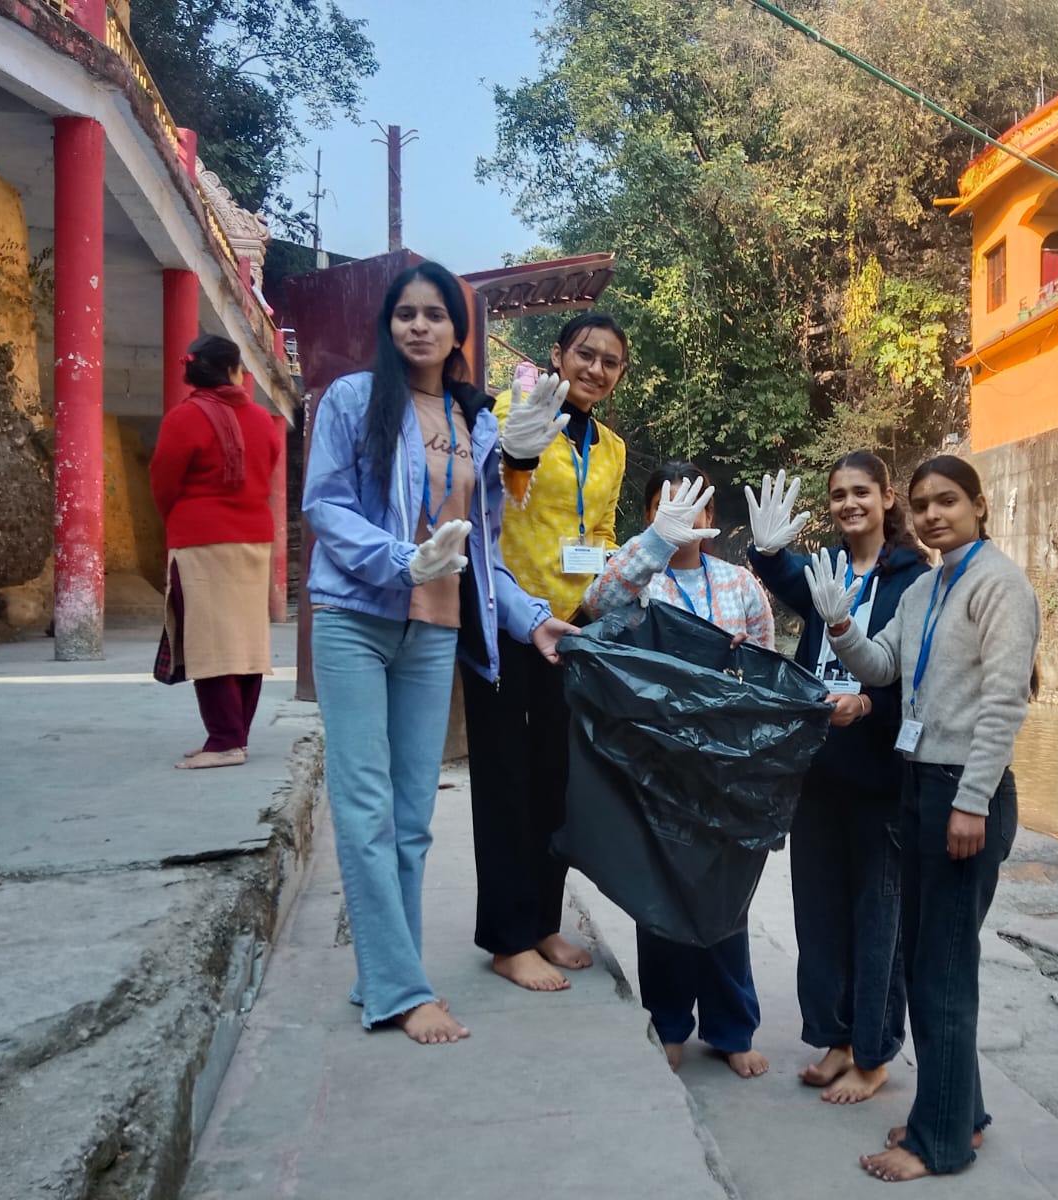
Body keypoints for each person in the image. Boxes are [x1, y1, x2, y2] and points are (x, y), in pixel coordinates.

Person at [303, 261, 572, 1045]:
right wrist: (397, 560)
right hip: (356, 616)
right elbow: (324, 504)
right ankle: (398, 988)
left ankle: (384, 974)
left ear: (458, 332)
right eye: (405, 314)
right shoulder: (353, 400)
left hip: (436, 629)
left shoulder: (473, 420)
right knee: (363, 808)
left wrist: (530, 621)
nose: (419, 326)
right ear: (389, 325)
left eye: (435, 315)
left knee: (413, 817)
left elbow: (484, 544)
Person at [802, 455, 1040, 1182]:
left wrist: (972, 799)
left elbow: (1005, 701)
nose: (935, 514)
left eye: (949, 501)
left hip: (960, 790)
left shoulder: (999, 585)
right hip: (917, 781)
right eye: (926, 504)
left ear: (979, 504)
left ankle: (936, 1142)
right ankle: (956, 1111)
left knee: (941, 969)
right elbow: (880, 668)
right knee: (931, 960)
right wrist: (839, 621)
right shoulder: (930, 585)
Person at [581, 462, 776, 1078]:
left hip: (727, 760)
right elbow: (595, 606)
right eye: (670, 506)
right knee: (661, 886)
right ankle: (667, 1021)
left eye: (697, 508)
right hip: (658, 757)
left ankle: (730, 1027)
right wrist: (654, 544)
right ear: (648, 516)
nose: (687, 517)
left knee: (727, 892)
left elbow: (767, 665)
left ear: (712, 521)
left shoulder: (741, 585)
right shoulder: (638, 575)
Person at [745, 456, 927, 1105]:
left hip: (881, 772)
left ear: (887, 497)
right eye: (838, 495)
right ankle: (834, 1038)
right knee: (819, 911)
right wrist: (765, 552)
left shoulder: (914, 579)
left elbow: (920, 676)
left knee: (878, 917)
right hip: (818, 764)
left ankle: (875, 1054)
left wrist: (872, 706)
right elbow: (788, 575)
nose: (849, 504)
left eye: (861, 493)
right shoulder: (826, 570)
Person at [460, 312, 630, 992]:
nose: (594, 368)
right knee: (506, 781)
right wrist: (515, 455)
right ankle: (506, 938)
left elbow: (603, 527)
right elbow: (493, 505)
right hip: (506, 620)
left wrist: (613, 576)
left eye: (610, 361)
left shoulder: (612, 447)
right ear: (558, 354)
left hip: (574, 629)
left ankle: (542, 921)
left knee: (556, 779)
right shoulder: (513, 411)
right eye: (584, 354)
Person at [149, 334, 283, 770]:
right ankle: (233, 736)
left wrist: (184, 516)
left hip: (200, 539)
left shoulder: (183, 418)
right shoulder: (264, 419)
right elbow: (267, 467)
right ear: (233, 370)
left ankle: (225, 741)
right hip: (253, 540)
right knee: (245, 640)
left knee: (208, 641)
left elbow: (164, 483)